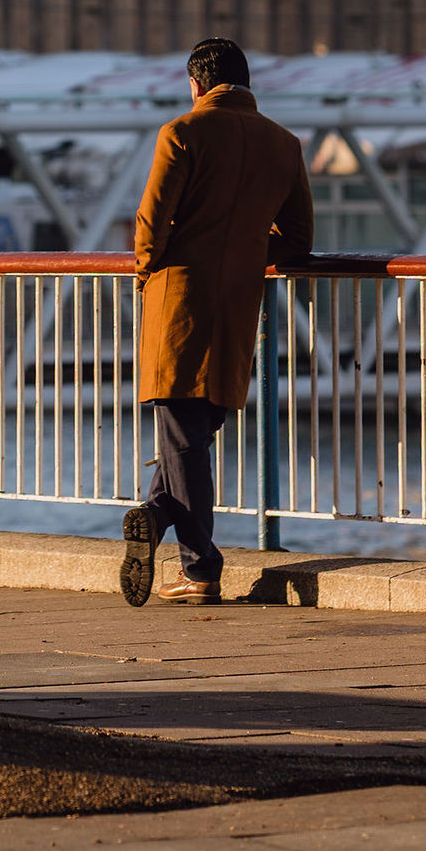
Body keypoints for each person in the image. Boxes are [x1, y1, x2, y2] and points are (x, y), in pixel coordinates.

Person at [122, 38, 312, 609]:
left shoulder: (182, 132)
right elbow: (299, 241)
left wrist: (145, 276)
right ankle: (155, 519)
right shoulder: (285, 144)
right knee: (193, 435)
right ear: (247, 83)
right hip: (237, 305)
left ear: (195, 85)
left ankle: (201, 568)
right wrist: (246, 243)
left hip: (179, 299)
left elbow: (151, 222)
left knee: (181, 437)